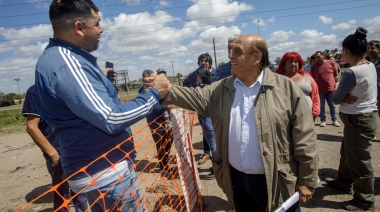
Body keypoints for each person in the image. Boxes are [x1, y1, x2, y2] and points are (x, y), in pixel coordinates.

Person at [147, 34, 319, 212]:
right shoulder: (221, 89)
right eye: (230, 50)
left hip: (276, 181)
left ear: (257, 57)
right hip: (236, 181)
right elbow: (194, 96)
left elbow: (305, 137)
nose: (230, 56)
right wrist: (165, 90)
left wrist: (307, 179)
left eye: (237, 51)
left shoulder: (286, 89)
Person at [35, 0, 170, 211]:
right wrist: (155, 94)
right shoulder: (67, 63)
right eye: (96, 23)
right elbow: (112, 118)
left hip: (97, 173)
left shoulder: (60, 59)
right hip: (107, 175)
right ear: (79, 27)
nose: (101, 29)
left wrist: (103, 79)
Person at [329, 27, 379, 211]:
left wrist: (340, 93)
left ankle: (364, 200)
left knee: (359, 161)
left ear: (346, 51)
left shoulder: (352, 73)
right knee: (347, 153)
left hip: (359, 120)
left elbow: (334, 99)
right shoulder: (369, 65)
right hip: (360, 119)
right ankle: (343, 182)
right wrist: (343, 95)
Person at [22, 85, 88, 212]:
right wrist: (53, 154)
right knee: (61, 191)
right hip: (57, 151)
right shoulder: (35, 91)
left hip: (75, 148)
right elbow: (31, 127)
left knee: (80, 190)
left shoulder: (69, 87)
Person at [183, 53, 216, 167]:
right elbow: (185, 84)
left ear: (210, 63)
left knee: (214, 134)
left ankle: (218, 164)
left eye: (206, 61)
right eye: (201, 61)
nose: (203, 62)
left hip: (214, 112)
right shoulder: (194, 75)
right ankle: (207, 153)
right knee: (206, 132)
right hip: (202, 112)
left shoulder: (217, 73)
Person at [139, 69, 173, 172]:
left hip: (165, 121)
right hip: (156, 124)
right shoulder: (144, 91)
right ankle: (163, 166)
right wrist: (168, 106)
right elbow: (155, 107)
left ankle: (165, 160)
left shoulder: (156, 88)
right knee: (161, 145)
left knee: (169, 141)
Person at [275, 52, 320, 120]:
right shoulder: (276, 79)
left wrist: (315, 112)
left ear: (299, 64)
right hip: (283, 118)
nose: (293, 64)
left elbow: (315, 96)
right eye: (289, 62)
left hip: (306, 117)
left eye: (296, 62)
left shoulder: (307, 77)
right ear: (284, 64)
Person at [195, 67, 216, 180]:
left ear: (201, 77)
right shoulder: (211, 87)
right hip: (209, 120)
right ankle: (217, 168)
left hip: (208, 121)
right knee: (213, 145)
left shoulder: (202, 89)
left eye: (198, 76)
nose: (196, 78)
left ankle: (217, 171)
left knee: (214, 146)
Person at [311, 50, 341, 127]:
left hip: (331, 89)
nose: (317, 59)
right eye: (316, 57)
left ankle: (334, 120)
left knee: (332, 105)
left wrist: (336, 85)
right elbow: (312, 79)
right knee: (321, 106)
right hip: (320, 91)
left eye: (318, 57)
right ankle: (323, 120)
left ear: (323, 55)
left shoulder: (330, 63)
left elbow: (336, 76)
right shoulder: (314, 66)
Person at [366, 40, 380, 114]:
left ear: (378, 49)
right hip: (368, 96)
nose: (369, 50)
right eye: (368, 48)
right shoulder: (365, 63)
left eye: (372, 48)